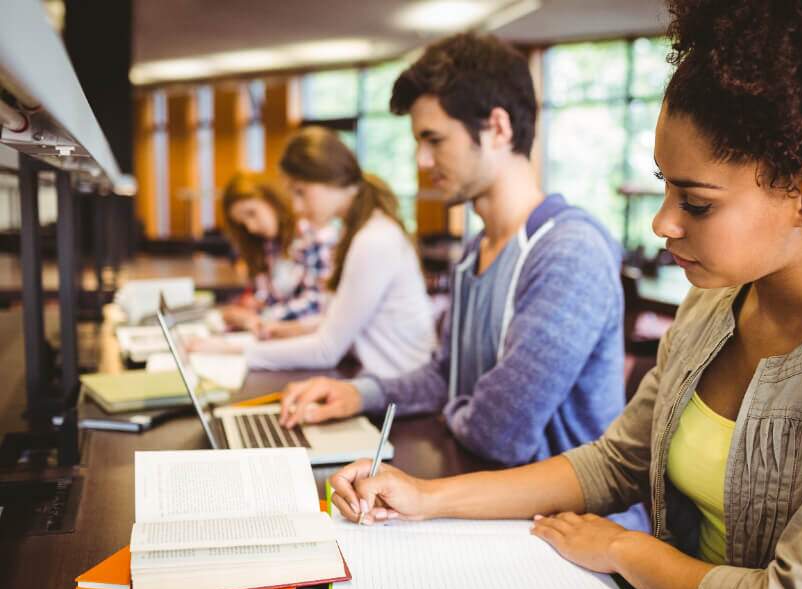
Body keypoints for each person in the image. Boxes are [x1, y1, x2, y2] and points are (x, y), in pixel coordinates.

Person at [323, 2, 802, 589]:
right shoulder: (716, 302)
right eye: (664, 189)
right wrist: (425, 496)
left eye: (696, 203)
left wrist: (623, 548)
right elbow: (614, 462)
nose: (663, 223)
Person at [280, 33, 637, 525]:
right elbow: (444, 378)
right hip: (494, 511)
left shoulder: (567, 252)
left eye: (434, 140)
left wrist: (456, 408)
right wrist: (359, 393)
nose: (422, 162)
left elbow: (500, 434)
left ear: (496, 128)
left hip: (571, 536)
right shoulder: (476, 251)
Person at [197, 126, 436, 378]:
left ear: (330, 177)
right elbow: (345, 319)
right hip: (376, 379)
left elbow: (326, 351)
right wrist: (293, 329)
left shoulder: (373, 240)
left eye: (301, 192)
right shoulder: (360, 231)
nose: (298, 207)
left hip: (397, 392)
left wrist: (232, 351)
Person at [217, 172, 336, 335]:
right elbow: (271, 298)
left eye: (252, 213)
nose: (251, 227)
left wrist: (259, 317)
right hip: (279, 338)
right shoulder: (268, 245)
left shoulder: (316, 237)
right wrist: (248, 308)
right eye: (243, 224)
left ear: (272, 200)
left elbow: (316, 305)